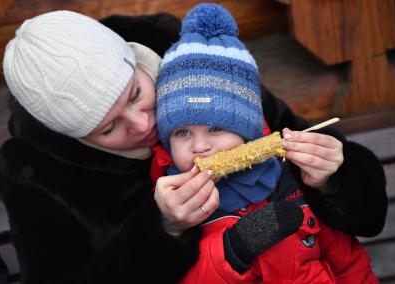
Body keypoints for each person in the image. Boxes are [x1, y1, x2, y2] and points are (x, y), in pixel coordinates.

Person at [0, 7, 386, 284]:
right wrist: (161, 230)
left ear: (134, 62)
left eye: (135, 94)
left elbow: (366, 218)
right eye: (109, 128)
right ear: (78, 137)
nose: (144, 123)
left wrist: (335, 177)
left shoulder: (195, 63)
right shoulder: (31, 171)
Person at [152, 4, 379, 283]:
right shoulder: (172, 204)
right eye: (182, 133)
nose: (200, 146)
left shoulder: (289, 177)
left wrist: (328, 183)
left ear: (248, 130)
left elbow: (349, 264)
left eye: (216, 128)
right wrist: (231, 251)